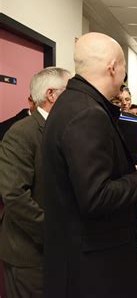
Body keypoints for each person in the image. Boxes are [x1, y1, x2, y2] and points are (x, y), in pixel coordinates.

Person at [41, 32, 137, 298]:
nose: (123, 78)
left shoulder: (72, 103)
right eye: (124, 70)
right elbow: (96, 197)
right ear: (113, 67)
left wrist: (129, 170)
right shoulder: (88, 114)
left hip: (79, 256)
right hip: (96, 267)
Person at [0, 67, 70, 298]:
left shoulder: (60, 129)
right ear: (52, 94)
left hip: (54, 250)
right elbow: (14, 196)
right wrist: (54, 232)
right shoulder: (21, 132)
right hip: (29, 253)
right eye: (69, 92)